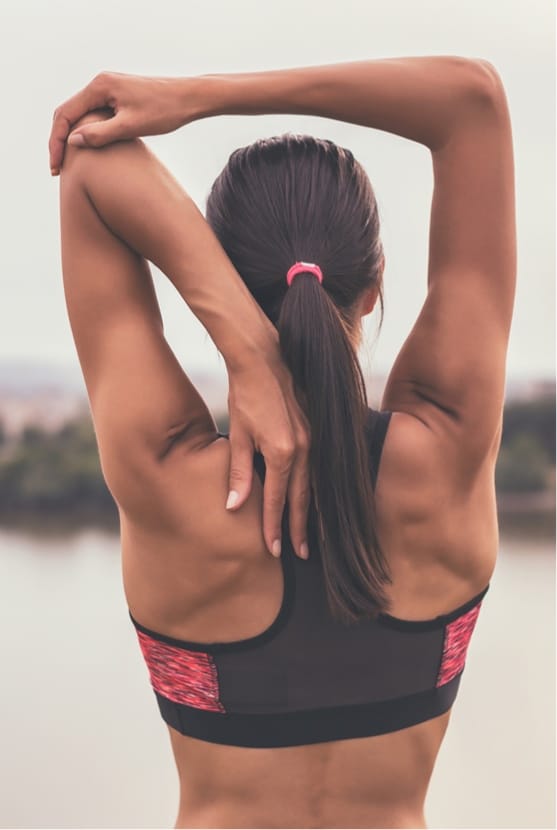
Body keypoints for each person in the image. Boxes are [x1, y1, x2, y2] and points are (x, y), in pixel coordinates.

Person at [49, 56, 515, 829]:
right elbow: (472, 100)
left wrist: (243, 343)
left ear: (225, 281)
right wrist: (200, 94)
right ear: (373, 287)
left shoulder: (168, 476)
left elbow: (93, 160)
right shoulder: (446, 450)